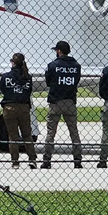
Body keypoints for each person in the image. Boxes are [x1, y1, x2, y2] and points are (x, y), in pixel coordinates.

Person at [41, 40, 83, 169]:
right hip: (70, 100)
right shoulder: (76, 65)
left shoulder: (52, 65)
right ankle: (77, 159)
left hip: (56, 101)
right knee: (74, 132)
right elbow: (76, 80)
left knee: (51, 133)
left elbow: (48, 82)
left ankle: (47, 160)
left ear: (59, 51)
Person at [0, 52, 36, 169]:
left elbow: (3, 89)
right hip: (23, 107)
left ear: (12, 63)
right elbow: (28, 91)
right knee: (27, 135)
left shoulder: (6, 77)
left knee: (12, 136)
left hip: (9, 107)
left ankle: (15, 161)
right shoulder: (27, 77)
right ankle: (32, 159)